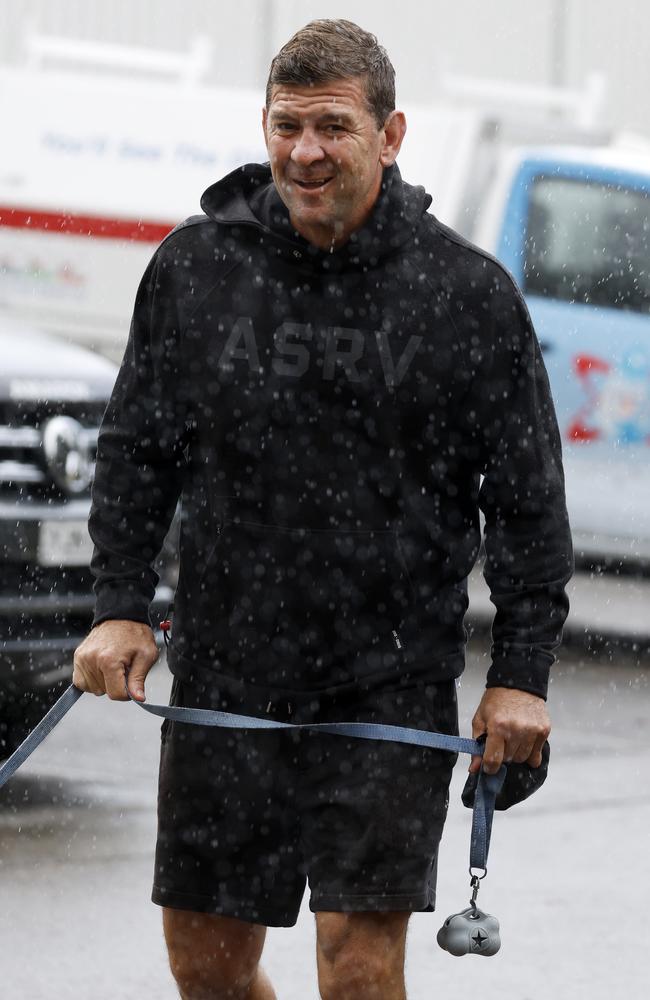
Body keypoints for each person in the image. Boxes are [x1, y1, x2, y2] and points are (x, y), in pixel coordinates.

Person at [73, 18, 573, 1000]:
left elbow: (524, 505)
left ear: (388, 137)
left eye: (332, 127)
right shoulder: (194, 269)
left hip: (386, 681)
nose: (305, 151)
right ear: (264, 127)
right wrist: (117, 604)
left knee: (355, 967)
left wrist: (520, 677)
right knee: (207, 967)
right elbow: (137, 454)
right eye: (286, 125)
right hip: (227, 668)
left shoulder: (465, 297)